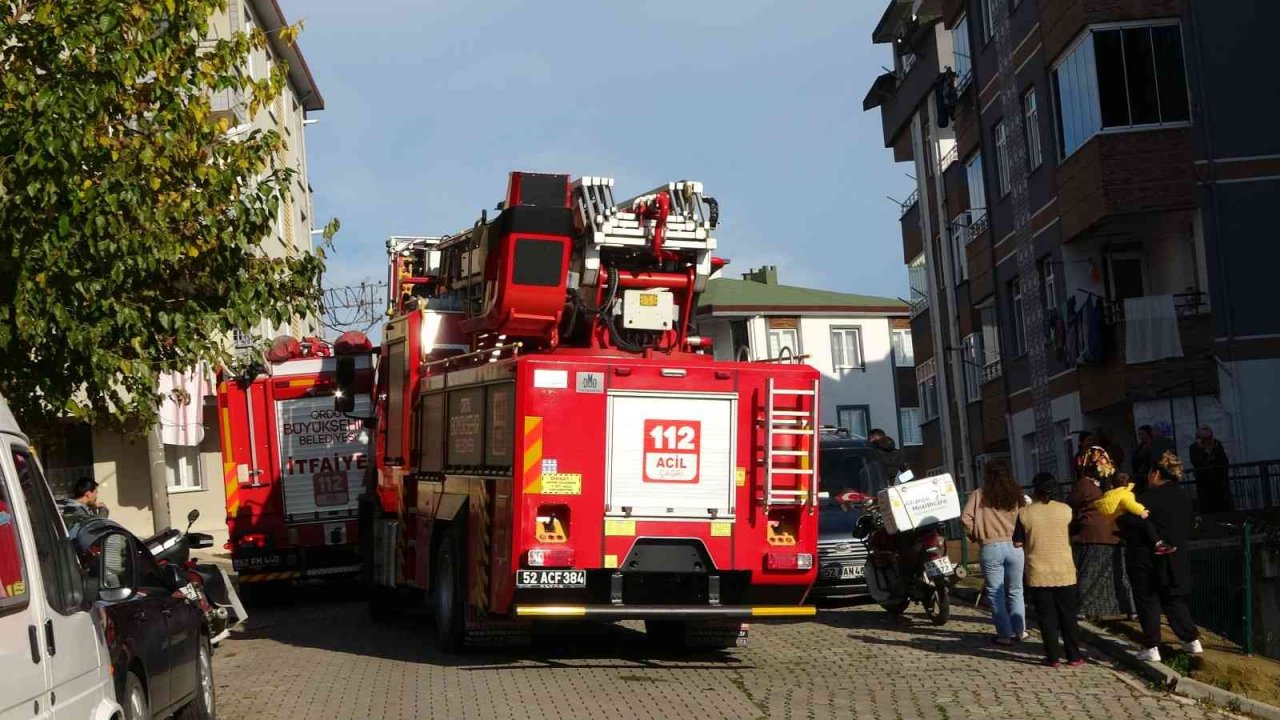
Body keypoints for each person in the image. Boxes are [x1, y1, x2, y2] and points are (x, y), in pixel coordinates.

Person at [1122, 451, 1203, 662]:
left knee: (1147, 600)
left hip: (1145, 557)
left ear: (1156, 473)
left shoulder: (1144, 499)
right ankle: (1191, 640)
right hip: (1175, 556)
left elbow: (1131, 524)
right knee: (1173, 599)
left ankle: (1152, 646)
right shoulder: (1183, 496)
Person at [1015, 472, 1084, 668]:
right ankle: (1074, 656)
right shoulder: (1066, 510)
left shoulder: (1025, 513)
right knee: (1068, 615)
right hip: (1064, 570)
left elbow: (1017, 542)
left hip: (1038, 571)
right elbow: (1075, 533)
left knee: (1047, 617)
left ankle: (1053, 657)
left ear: (1034, 490)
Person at [962, 463, 1027, 645]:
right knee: (1016, 590)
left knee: (995, 594)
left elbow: (965, 518)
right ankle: (1020, 631)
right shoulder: (1017, 495)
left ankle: (1004, 635)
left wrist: (975, 534)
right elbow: (1025, 517)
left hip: (990, 547)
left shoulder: (979, 495)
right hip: (1015, 546)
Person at [1066, 446, 1134, 619]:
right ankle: (1127, 607)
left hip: (1091, 534)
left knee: (1088, 574)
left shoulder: (1084, 484)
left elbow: (1071, 505)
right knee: (1119, 573)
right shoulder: (1115, 482)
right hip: (1116, 532)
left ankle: (1085, 609)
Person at [1094, 472, 1176, 555]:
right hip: (1123, 518)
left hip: (1116, 520)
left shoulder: (1110, 494)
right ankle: (1158, 544)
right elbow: (1130, 504)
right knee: (1146, 524)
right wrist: (1142, 511)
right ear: (1128, 483)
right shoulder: (1125, 493)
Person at [1189, 426, 1232, 514]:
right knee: (1207, 506)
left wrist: (1213, 450)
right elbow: (1196, 461)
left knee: (1222, 506)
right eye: (1204, 439)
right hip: (1204, 482)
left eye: (1209, 438)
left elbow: (1223, 460)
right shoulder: (1194, 447)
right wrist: (1204, 451)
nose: (1207, 441)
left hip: (1218, 480)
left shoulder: (1217, 444)